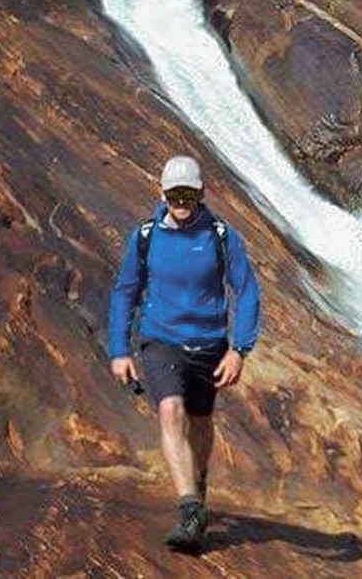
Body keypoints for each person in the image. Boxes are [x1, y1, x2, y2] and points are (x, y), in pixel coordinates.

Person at [107, 154, 261, 553]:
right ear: (161, 193)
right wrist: (119, 350)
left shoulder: (221, 235)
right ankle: (190, 510)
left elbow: (246, 291)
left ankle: (199, 478)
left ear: (201, 195)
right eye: (174, 195)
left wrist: (240, 349)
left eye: (188, 196)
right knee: (170, 411)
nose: (181, 203)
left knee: (201, 422)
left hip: (209, 343)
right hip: (160, 340)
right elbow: (126, 292)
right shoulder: (146, 236)